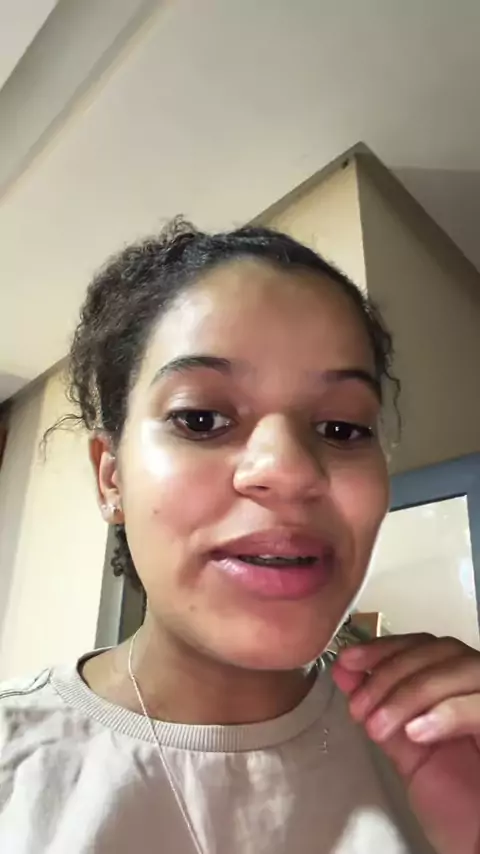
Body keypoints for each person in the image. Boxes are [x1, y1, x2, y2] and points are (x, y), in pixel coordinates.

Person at [0, 220, 479, 854]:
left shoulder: (447, 751)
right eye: (201, 419)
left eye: (341, 429)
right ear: (111, 478)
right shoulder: (17, 764)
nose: (290, 470)